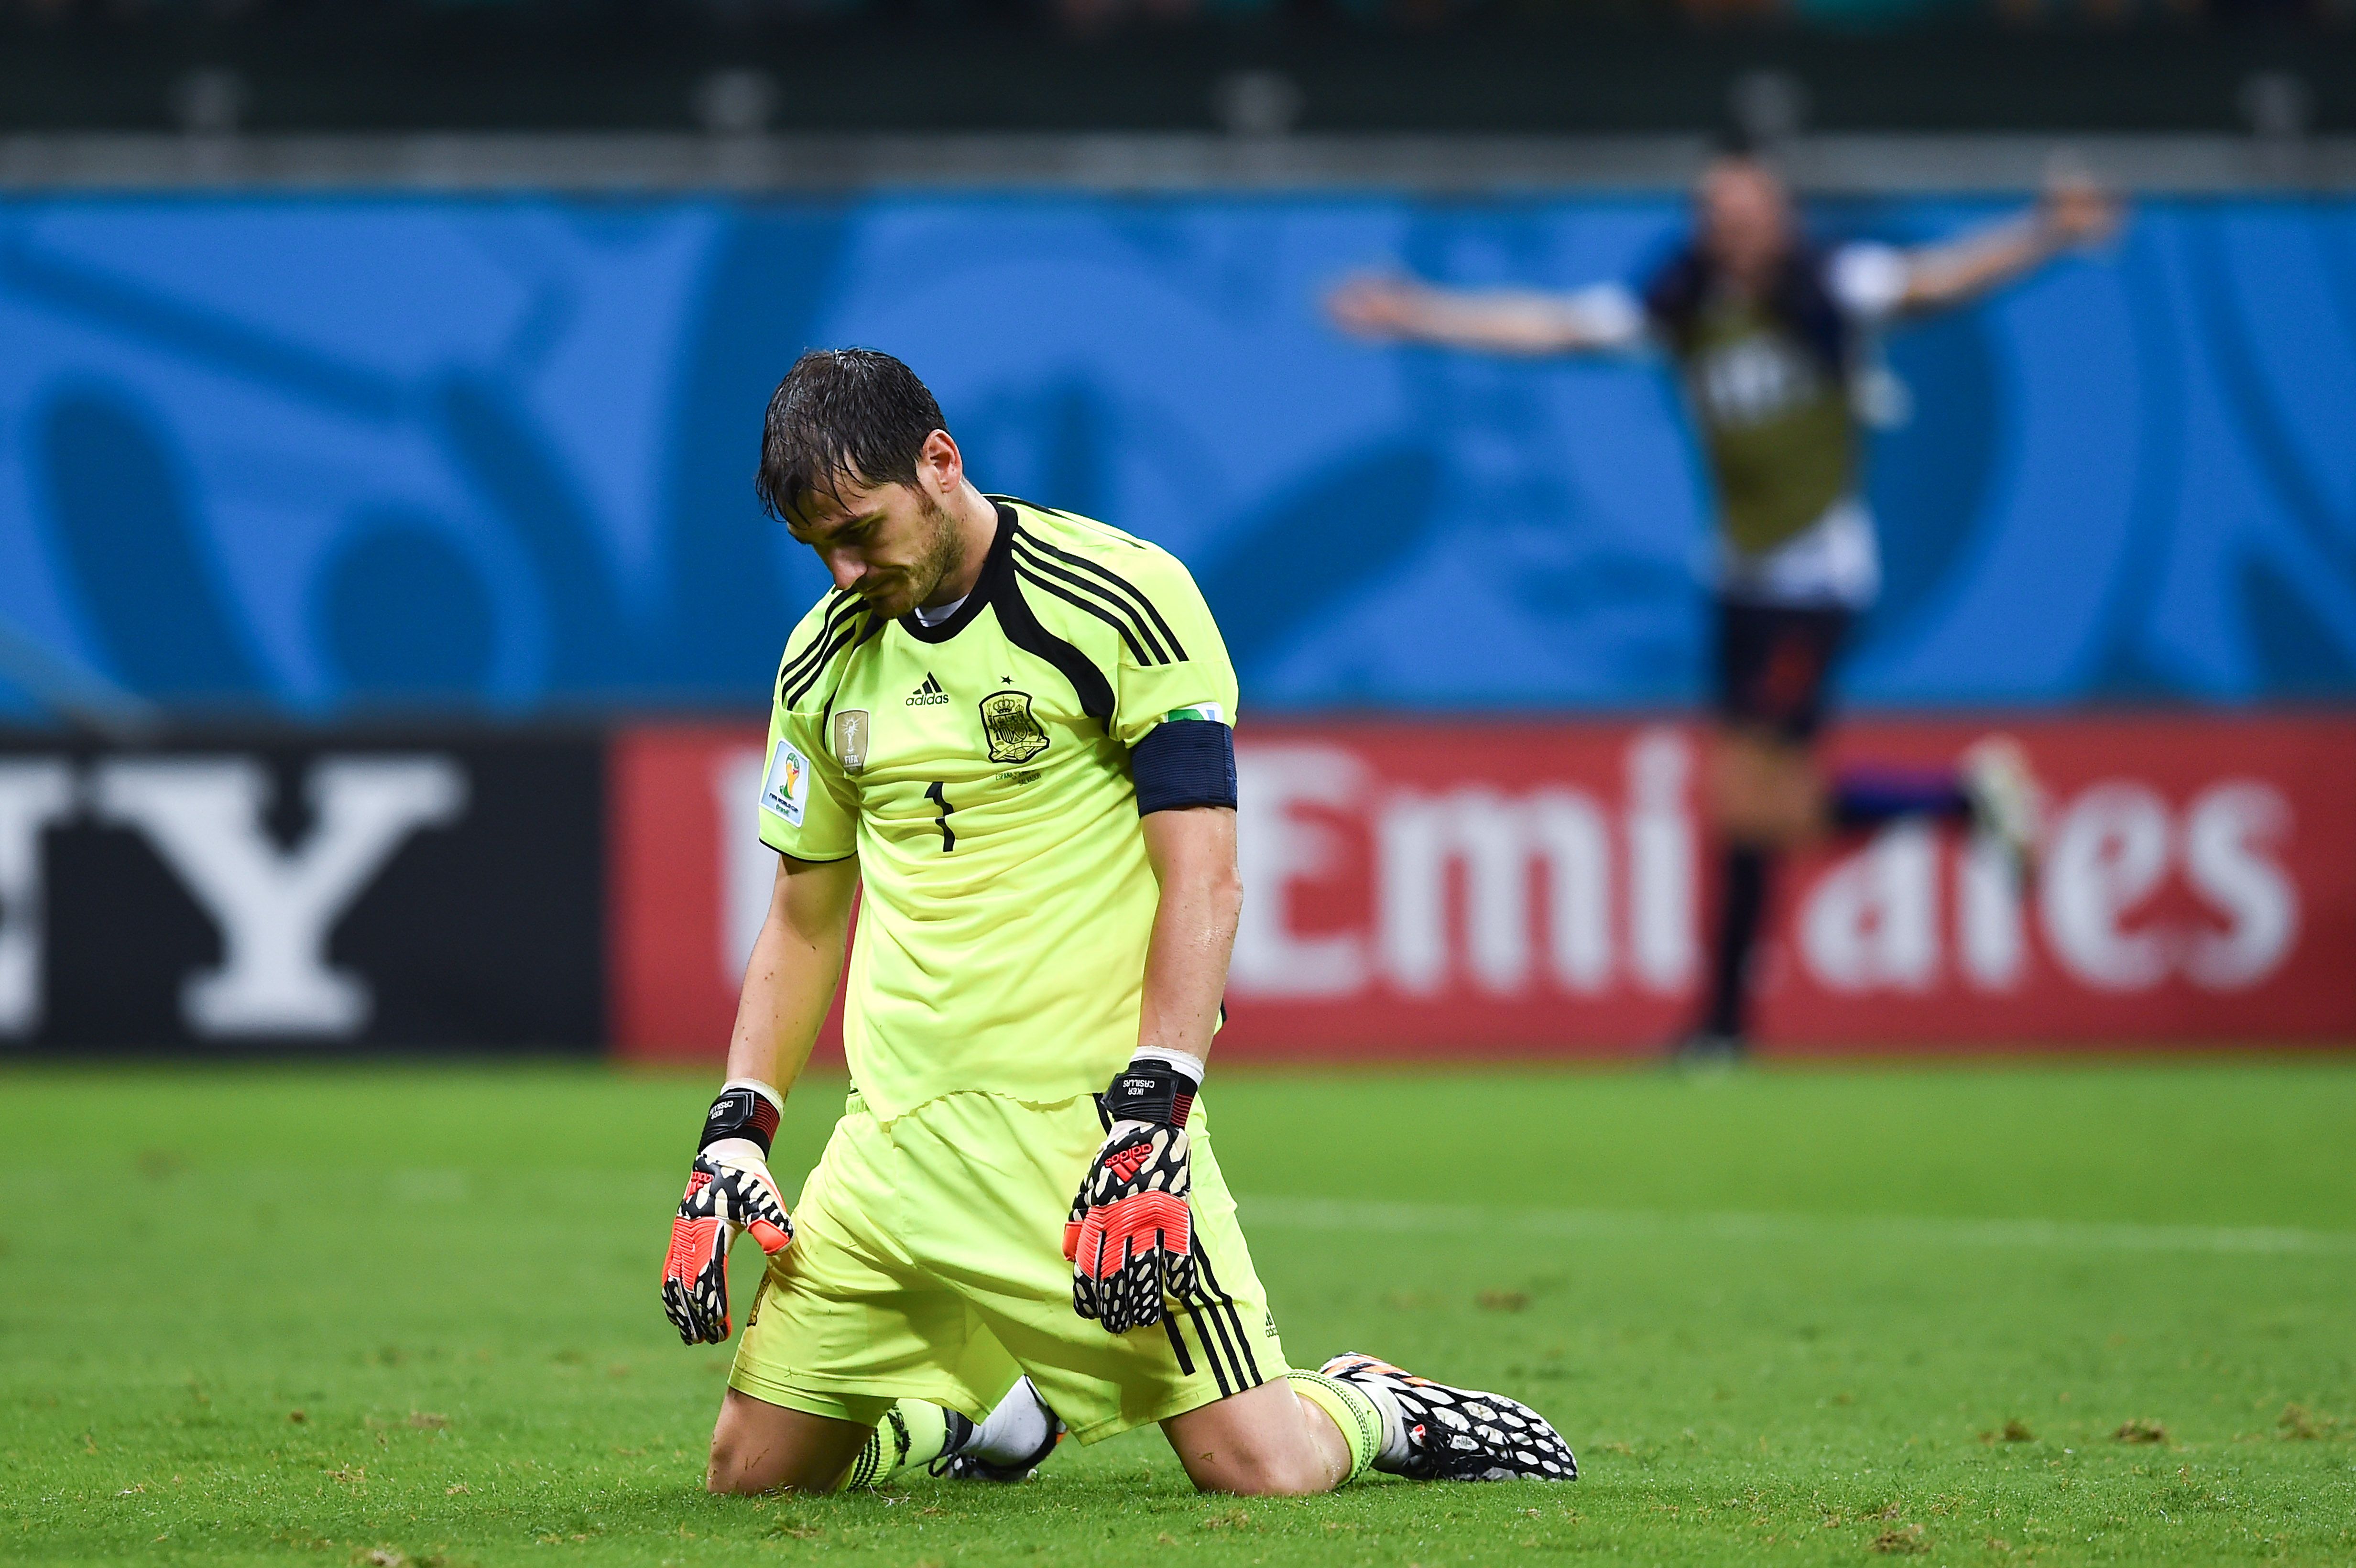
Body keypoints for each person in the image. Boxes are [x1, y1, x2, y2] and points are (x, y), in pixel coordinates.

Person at [658, 347, 1578, 1494]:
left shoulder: (1119, 596)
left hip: (1087, 1135)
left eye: (860, 528)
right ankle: (982, 1422)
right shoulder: (823, 658)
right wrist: (736, 1126)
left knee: (1261, 1467)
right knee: (751, 1475)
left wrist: (1156, 1104)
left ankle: (1369, 1401)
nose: (843, 571)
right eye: (817, 548)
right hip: (891, 1146)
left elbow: (1205, 877)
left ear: (939, 463)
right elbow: (802, 920)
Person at [1325, 152, 2122, 1061]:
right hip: (1740, 587)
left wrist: (2049, 231)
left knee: (1748, 804)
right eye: (1716, 208)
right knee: (1753, 812)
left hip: (1814, 586)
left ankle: (1948, 811)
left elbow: (1941, 281)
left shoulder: (1834, 288)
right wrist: (1420, 314)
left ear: (1781, 216)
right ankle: (1730, 1025)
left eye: (1748, 207)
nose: (1732, 223)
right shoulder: (1683, 311)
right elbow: (1552, 328)